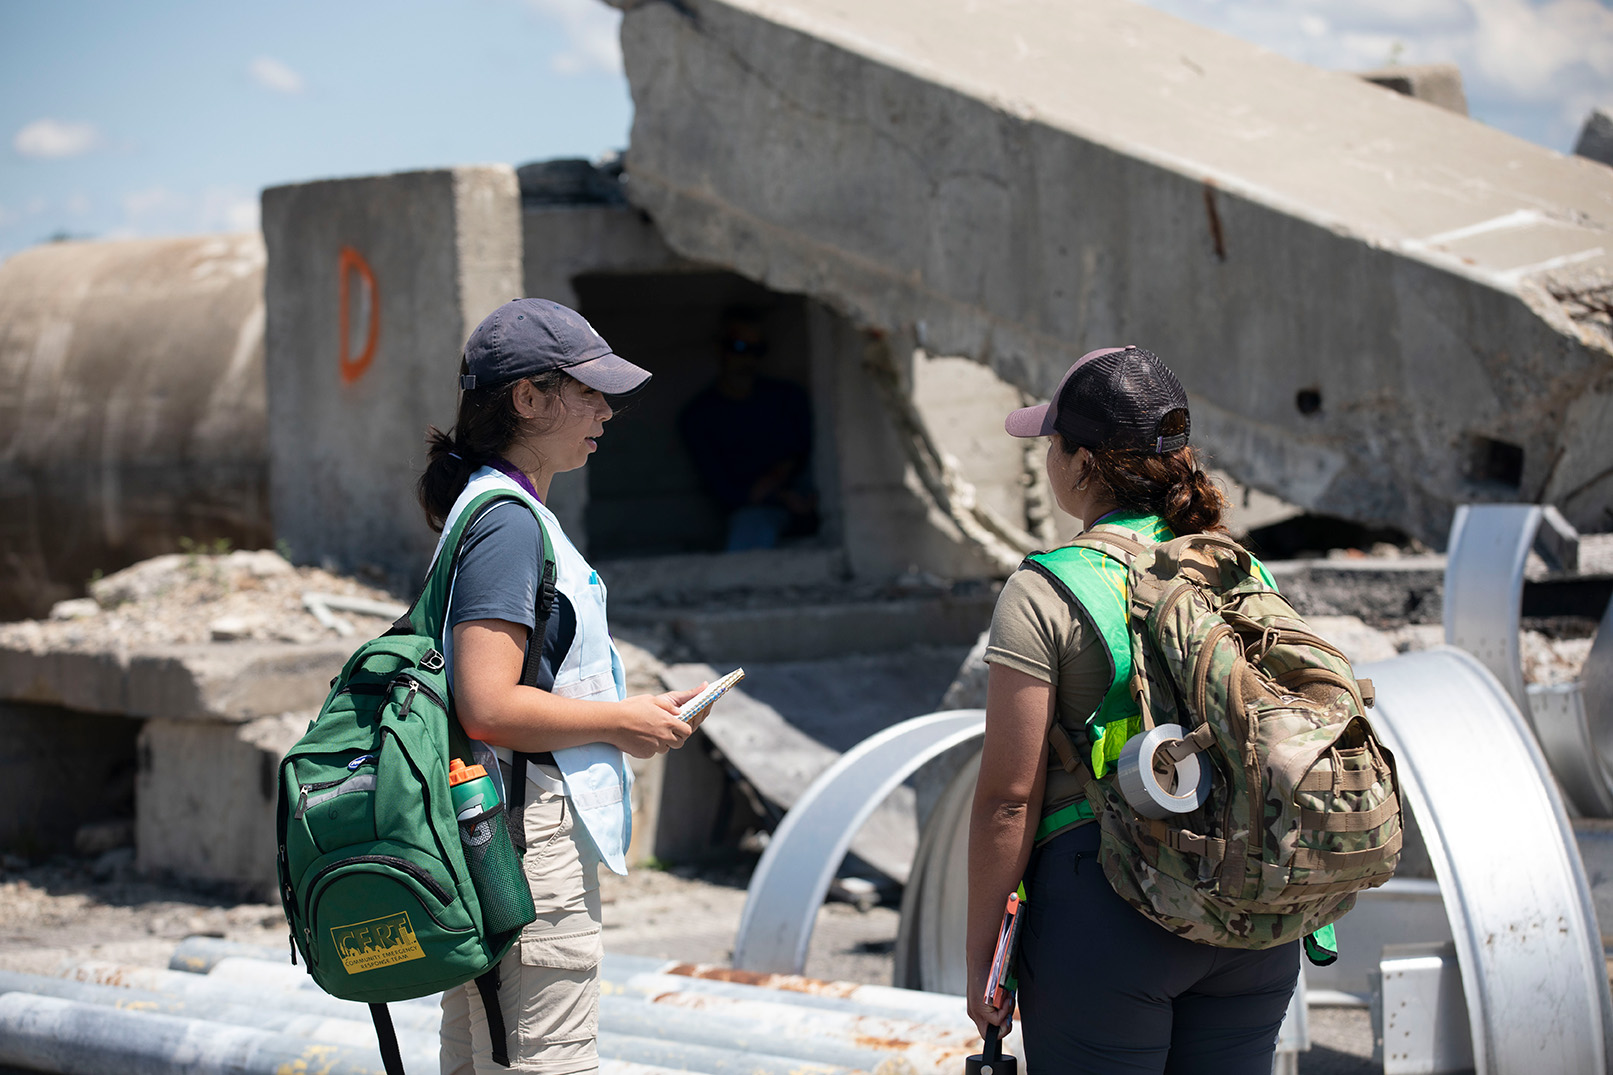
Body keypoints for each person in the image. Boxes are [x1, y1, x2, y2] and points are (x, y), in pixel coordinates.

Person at [964, 346, 1298, 1074]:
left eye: (1052, 443)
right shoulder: (1238, 568)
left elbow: (1006, 801)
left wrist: (982, 962)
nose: (1049, 458)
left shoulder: (1047, 590)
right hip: (1251, 912)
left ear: (1081, 463)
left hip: (1107, 916)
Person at [417, 298, 708, 1075]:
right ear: (527, 398)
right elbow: (488, 701)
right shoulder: (509, 522)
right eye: (586, 391)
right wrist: (618, 722)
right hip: (524, 840)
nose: (606, 411)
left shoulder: (493, 508)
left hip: (497, 831)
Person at [678, 306, 817, 550]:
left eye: (757, 350)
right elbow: (727, 493)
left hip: (808, 506)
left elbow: (801, 455)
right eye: (739, 348)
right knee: (752, 527)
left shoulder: (788, 398)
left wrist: (784, 484)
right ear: (719, 348)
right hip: (753, 516)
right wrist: (778, 495)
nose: (748, 359)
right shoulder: (699, 417)